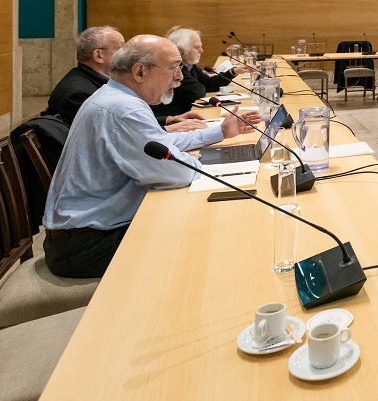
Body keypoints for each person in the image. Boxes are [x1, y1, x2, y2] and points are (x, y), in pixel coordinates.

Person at [42, 35, 259, 278]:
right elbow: (176, 172)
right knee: (209, 234)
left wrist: (218, 132)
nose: (179, 77)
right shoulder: (124, 109)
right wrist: (195, 160)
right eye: (173, 68)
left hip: (84, 234)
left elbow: (159, 144)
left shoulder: (116, 97)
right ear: (139, 72)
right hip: (86, 246)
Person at [44, 26, 207, 132]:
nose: (128, 54)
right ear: (98, 55)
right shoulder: (80, 93)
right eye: (122, 48)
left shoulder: (97, 82)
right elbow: (116, 137)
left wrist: (169, 120)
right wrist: (166, 130)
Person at [151, 27, 251, 119]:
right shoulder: (177, 70)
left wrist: (233, 72)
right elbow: (197, 92)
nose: (201, 51)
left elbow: (210, 84)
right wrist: (202, 85)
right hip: (171, 119)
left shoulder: (190, 66)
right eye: (196, 48)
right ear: (181, 50)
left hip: (184, 116)